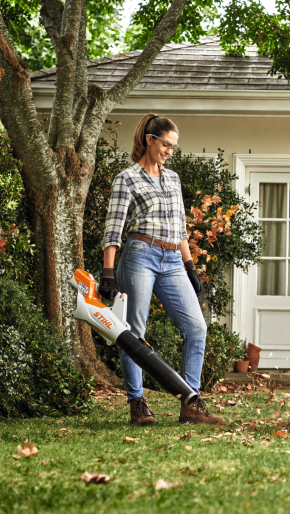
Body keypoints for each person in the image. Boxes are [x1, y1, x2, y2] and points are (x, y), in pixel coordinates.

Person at [100, 113, 223, 426]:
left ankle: (191, 403)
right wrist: (108, 273)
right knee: (133, 333)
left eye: (174, 146)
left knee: (196, 327)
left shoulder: (173, 178)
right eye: (165, 144)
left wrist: (190, 267)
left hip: (172, 260)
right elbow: (113, 230)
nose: (170, 150)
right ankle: (137, 402)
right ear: (149, 140)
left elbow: (179, 227)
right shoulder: (126, 178)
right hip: (140, 254)